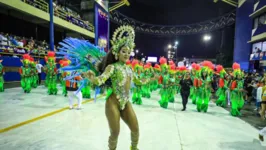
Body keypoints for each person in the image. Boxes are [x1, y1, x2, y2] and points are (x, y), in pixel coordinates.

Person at [82, 25, 144, 150]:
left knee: (135, 129)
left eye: (128, 52)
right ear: (117, 53)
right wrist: (92, 78)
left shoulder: (129, 69)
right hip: (113, 103)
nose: (127, 54)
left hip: (125, 103)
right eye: (123, 51)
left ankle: (134, 147)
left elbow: (138, 81)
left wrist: (151, 79)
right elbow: (100, 80)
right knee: (115, 133)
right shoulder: (112, 67)